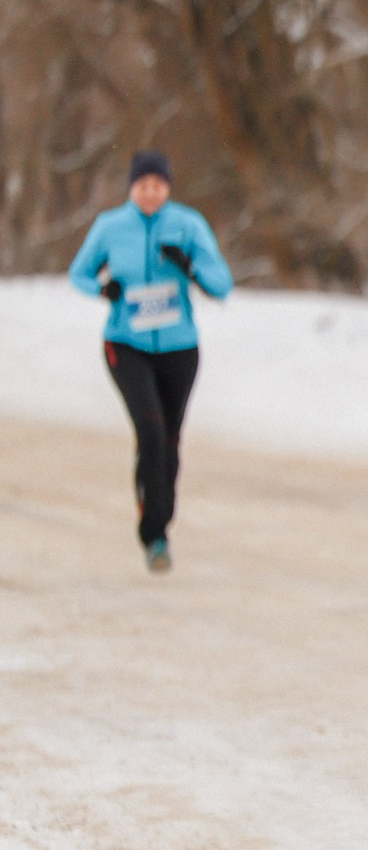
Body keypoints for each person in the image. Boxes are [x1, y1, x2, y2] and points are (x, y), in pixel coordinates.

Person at [68, 151, 235, 573]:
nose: (150, 192)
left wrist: (190, 265)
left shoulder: (188, 225)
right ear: (131, 187)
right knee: (150, 430)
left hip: (179, 348)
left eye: (158, 185)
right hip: (126, 345)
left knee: (170, 440)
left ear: (168, 187)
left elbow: (222, 285)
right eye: (143, 184)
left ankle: (161, 521)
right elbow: (78, 274)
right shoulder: (111, 226)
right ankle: (154, 534)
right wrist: (104, 289)